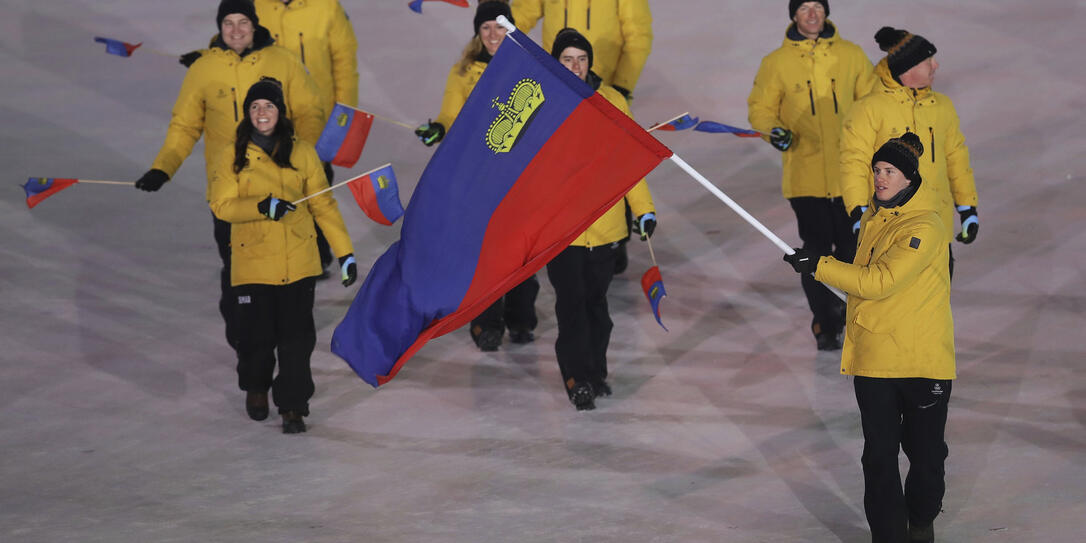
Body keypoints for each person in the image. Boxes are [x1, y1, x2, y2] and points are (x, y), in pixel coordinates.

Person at [784, 132, 954, 543]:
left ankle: (921, 517)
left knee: (926, 456)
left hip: (920, 360)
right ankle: (889, 535)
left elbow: (880, 282)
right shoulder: (875, 219)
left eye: (889, 172)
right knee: (878, 457)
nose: (880, 178)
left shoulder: (925, 224)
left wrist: (819, 264)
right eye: (877, 170)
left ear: (909, 178)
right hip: (875, 358)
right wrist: (819, 264)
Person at [137, 0, 324, 358]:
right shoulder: (205, 68)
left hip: (284, 185)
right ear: (219, 27)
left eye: (243, 22)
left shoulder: (282, 61)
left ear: (255, 25)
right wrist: (164, 166)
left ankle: (286, 334)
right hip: (231, 190)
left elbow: (309, 112)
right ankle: (244, 332)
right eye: (228, 23)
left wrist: (302, 157)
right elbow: (185, 125)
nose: (236, 30)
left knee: (286, 260)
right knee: (237, 261)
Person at [209, 79, 356, 434]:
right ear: (247, 112)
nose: (262, 114)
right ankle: (257, 388)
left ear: (280, 112)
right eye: (256, 107)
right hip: (253, 263)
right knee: (256, 338)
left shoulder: (302, 152)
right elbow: (221, 204)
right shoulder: (231, 153)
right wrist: (261, 206)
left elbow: (323, 205)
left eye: (269, 107)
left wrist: (345, 253)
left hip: (298, 262)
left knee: (296, 340)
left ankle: (293, 405)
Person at [747, 0, 876, 351]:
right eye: (804, 7)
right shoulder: (776, 63)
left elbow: (873, 102)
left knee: (854, 252)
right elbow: (760, 109)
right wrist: (775, 131)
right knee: (817, 254)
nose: (812, 14)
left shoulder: (851, 55)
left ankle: (856, 319)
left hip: (853, 178)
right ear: (794, 15)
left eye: (818, 6)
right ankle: (824, 319)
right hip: (805, 180)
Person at [416, 0, 540, 352]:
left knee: (520, 250)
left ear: (511, 28)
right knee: (485, 251)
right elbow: (450, 116)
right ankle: (485, 322)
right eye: (485, 27)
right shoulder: (464, 71)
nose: (492, 34)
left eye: (499, 26)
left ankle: (521, 318)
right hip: (478, 177)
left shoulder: (529, 68)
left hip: (517, 175)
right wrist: (437, 129)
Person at [547, 28, 656, 411]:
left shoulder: (612, 102)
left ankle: (596, 373)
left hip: (606, 227)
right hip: (562, 232)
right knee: (572, 306)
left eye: (581, 59)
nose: (575, 66)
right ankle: (577, 378)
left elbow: (630, 161)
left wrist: (643, 210)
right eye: (567, 59)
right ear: (556, 62)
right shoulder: (542, 102)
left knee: (597, 307)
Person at [512, 0, 653, 276]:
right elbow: (524, 11)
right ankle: (567, 238)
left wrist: (622, 84)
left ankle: (614, 238)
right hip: (560, 83)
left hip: (604, 88)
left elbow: (638, 35)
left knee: (608, 164)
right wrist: (498, 31)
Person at [840, 27, 979, 279]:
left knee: (934, 304)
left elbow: (956, 160)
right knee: (892, 305)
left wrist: (967, 207)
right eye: (928, 61)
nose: (935, 65)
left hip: (936, 225)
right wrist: (859, 212)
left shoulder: (942, 107)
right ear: (907, 69)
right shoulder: (869, 109)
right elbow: (854, 163)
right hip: (888, 229)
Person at [253, 0, 359, 272]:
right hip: (266, 117)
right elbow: (235, 40)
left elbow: (344, 63)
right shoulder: (255, 6)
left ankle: (316, 252)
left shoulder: (326, 7)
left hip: (317, 118)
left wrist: (344, 116)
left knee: (316, 185)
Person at [511, 0, 653, 100]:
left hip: (601, 89)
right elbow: (522, 14)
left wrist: (622, 86)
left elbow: (638, 37)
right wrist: (495, 40)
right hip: (554, 83)